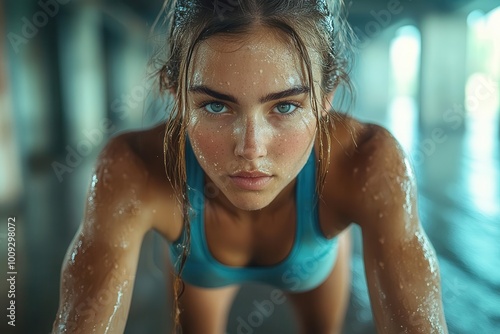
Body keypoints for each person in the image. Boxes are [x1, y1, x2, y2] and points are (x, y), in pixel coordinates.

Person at [52, 0, 448, 333]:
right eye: (215, 105)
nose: (250, 149)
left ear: (326, 98)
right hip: (200, 266)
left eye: (286, 106)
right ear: (177, 98)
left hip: (313, 259)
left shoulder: (366, 162)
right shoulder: (134, 169)